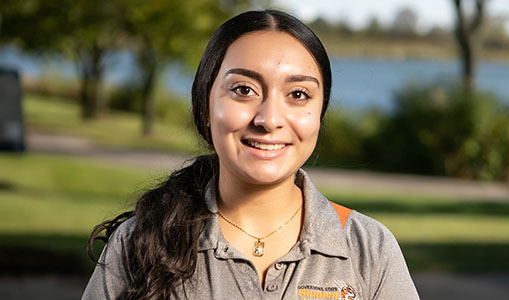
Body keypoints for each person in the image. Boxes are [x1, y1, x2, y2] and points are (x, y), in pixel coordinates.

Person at [81, 9, 419, 300]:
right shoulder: (140, 242)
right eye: (244, 90)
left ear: (319, 114)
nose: (269, 119)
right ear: (205, 105)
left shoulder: (367, 249)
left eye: (298, 94)